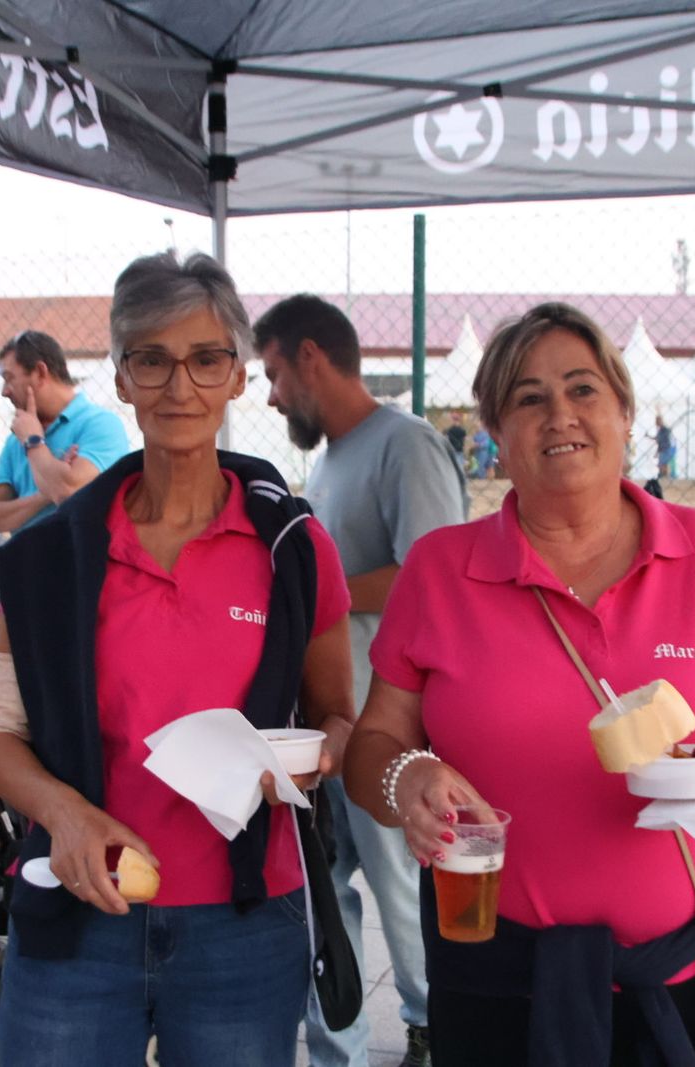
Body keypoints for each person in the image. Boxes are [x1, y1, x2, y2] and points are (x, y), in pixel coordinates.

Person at [342, 303, 695, 1065]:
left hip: (678, 971)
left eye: (583, 388)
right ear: (496, 432)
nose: (559, 413)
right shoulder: (439, 570)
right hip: (494, 980)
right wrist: (408, 775)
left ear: (626, 412)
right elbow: (371, 745)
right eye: (528, 397)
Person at [0, 252, 355, 1067]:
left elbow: (339, 717)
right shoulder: (51, 557)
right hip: (79, 911)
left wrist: (309, 763)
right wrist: (66, 815)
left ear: (238, 378)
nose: (179, 386)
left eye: (206, 358)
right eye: (152, 359)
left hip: (245, 924)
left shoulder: (293, 548)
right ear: (120, 377)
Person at [256, 294, 464, 1067]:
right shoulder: (333, 457)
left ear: (312, 357)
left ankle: (432, 1026)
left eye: (274, 372)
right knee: (324, 888)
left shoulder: (404, 445)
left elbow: (432, 573)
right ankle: (337, 1043)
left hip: (391, 722)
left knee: (402, 884)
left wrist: (314, 591)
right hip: (331, 717)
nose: (270, 394)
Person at [0, 329, 130, 536]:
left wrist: (33, 443)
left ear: (39, 372)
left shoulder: (100, 425)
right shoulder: (15, 440)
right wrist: (45, 493)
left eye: (9, 378)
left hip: (83, 564)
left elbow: (68, 492)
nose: (4, 391)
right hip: (27, 564)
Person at [650, 413, 677, 480]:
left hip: (667, 448)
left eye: (657, 421)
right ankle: (664, 475)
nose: (656, 423)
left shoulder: (664, 429)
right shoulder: (661, 429)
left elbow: (660, 440)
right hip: (665, 448)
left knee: (663, 463)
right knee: (663, 463)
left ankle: (665, 475)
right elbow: (658, 439)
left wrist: (658, 451)